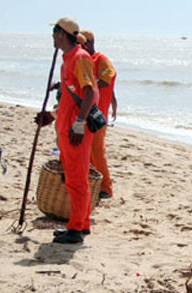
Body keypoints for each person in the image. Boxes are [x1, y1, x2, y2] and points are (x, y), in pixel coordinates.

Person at [35, 17, 99, 244]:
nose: (52, 38)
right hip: (68, 127)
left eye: (54, 34)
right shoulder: (68, 59)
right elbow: (71, 98)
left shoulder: (79, 58)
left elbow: (89, 93)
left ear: (61, 34)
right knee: (75, 177)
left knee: (76, 179)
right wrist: (52, 117)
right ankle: (81, 223)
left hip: (76, 131)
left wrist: (79, 123)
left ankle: (76, 228)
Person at [79, 29, 117, 199]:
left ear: (88, 43)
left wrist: (85, 86)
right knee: (90, 152)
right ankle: (95, 184)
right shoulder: (85, 59)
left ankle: (106, 187)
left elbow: (108, 80)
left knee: (97, 151)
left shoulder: (101, 60)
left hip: (98, 114)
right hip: (89, 111)